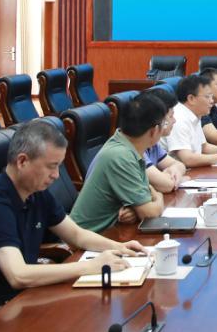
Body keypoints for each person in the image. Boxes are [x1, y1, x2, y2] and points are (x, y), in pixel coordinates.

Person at [0, 118, 147, 307]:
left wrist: (120, 247)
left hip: (22, 299)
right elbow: (18, 275)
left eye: (59, 166)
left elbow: (77, 235)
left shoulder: (35, 193)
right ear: (22, 161)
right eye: (51, 166)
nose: (56, 175)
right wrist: (91, 266)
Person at [70, 90, 167, 232]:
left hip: (110, 231)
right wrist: (159, 197)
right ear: (154, 130)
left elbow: (145, 198)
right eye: (164, 124)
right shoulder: (122, 156)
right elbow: (149, 214)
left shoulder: (126, 144)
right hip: (88, 239)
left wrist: (136, 208)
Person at [164, 73, 217, 167]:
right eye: (207, 96)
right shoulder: (178, 118)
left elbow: (204, 147)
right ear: (191, 99)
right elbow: (188, 159)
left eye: (211, 96)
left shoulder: (195, 114)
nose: (212, 101)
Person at [140, 87, 189, 192]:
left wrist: (174, 170)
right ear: (159, 120)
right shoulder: (136, 147)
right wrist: (176, 178)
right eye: (171, 116)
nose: (174, 121)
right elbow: (166, 185)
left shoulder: (152, 142)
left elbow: (180, 165)